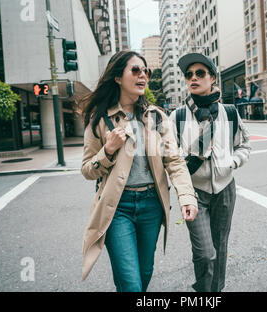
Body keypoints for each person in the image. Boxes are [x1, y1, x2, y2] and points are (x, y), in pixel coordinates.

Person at [78, 50, 198, 291]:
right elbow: (87, 170)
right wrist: (108, 150)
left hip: (151, 206)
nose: (143, 75)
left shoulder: (156, 117)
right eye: (135, 70)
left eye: (146, 71)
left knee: (143, 275)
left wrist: (187, 196)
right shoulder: (100, 119)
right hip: (117, 208)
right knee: (130, 283)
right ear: (118, 78)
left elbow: (174, 162)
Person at [169, 53, 251, 292]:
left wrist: (232, 162)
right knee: (205, 252)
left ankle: (214, 293)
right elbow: (170, 158)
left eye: (200, 73)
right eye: (189, 74)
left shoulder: (230, 113)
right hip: (194, 192)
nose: (193, 78)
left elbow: (245, 145)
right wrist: (195, 153)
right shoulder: (178, 116)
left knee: (221, 245)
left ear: (212, 78)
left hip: (225, 189)